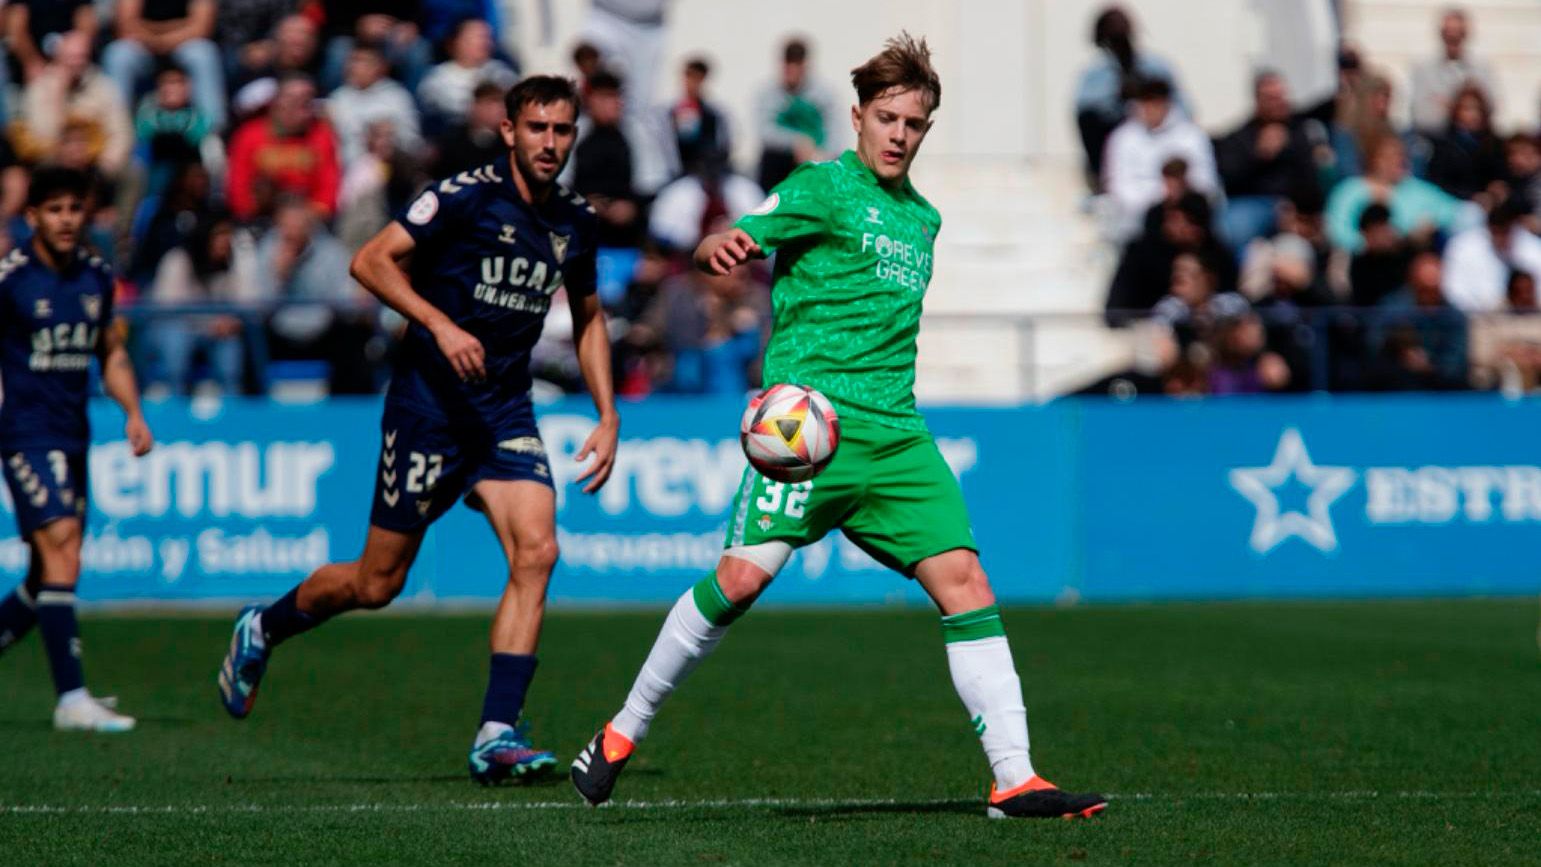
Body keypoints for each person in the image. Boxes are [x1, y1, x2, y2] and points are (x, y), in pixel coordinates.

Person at [570, 33, 1105, 821]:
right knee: (740, 581)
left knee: (966, 583)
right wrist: (727, 243)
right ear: (856, 116)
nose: (897, 134)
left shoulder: (923, 220)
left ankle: (1013, 778)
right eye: (885, 117)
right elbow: (740, 232)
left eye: (913, 123)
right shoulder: (820, 187)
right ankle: (619, 732)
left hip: (895, 434)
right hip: (806, 433)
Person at [216, 76, 619, 785]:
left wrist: (608, 413)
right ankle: (265, 625)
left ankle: (496, 732)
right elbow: (368, 260)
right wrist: (439, 322)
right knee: (376, 584)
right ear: (508, 132)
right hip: (428, 407)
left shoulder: (575, 221)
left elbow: (588, 316)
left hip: (502, 412)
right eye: (537, 129)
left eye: (562, 131)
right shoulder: (464, 196)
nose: (549, 143)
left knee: (538, 550)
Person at [0, 167, 154, 732]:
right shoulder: (11, 279)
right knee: (62, 546)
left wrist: (133, 412)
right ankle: (71, 699)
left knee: (50, 575)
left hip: (73, 433)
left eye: (75, 209)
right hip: (23, 432)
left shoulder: (95, 276)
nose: (67, 220)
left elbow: (109, 352)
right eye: (55, 209)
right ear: (33, 215)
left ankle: (72, 695)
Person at [1072, 5, 1187, 186]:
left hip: (1160, 144)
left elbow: (1185, 109)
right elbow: (1085, 114)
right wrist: (1116, 96)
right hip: (1116, 148)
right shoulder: (1096, 74)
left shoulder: (1156, 67)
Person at [1101, 76, 1219, 243]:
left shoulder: (1192, 136)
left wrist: (1178, 199)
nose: (1152, 108)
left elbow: (1206, 182)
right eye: (1146, 102)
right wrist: (1158, 198)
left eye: (1157, 102)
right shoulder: (1122, 138)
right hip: (1137, 220)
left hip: (1185, 218)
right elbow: (1119, 186)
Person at [1214, 71, 1320, 254]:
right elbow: (1230, 178)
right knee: (1232, 228)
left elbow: (1309, 180)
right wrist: (1260, 155)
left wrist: (1297, 211)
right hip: (1254, 203)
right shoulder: (1240, 137)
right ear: (1258, 101)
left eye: (1281, 96)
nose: (1278, 103)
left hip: (1293, 207)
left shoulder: (1300, 133)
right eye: (1271, 98)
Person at [226, 73, 341, 222]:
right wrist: (250, 211)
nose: (305, 111)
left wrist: (311, 215)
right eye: (295, 102)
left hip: (308, 221)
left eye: (307, 103)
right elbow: (237, 186)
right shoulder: (249, 135)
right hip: (258, 219)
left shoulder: (321, 135)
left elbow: (329, 187)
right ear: (277, 102)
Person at [100, 0, 226, 132]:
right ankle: (114, 132)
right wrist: (170, 30)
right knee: (118, 54)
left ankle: (213, 132)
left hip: (184, 44)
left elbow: (201, 27)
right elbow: (125, 25)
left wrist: (161, 36)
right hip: (144, 45)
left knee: (203, 54)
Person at [754, 37, 838, 192]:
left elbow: (836, 132)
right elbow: (765, 132)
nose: (792, 72)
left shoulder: (824, 94)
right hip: (780, 165)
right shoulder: (768, 93)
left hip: (819, 162)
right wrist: (796, 142)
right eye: (788, 65)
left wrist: (822, 154)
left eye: (797, 65)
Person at [326, 43, 422, 163]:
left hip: (392, 165)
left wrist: (388, 134)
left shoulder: (396, 96)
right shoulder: (338, 98)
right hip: (349, 168)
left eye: (362, 61)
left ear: (379, 67)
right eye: (352, 61)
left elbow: (412, 140)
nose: (353, 66)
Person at [1441, 198, 1541, 313]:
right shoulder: (1462, 247)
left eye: (1506, 231)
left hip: (1529, 320)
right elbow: (1454, 292)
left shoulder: (1534, 249)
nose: (1501, 237)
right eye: (1496, 232)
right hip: (1477, 320)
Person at [1408, 7, 1497, 134]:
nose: (1453, 37)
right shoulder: (1423, 68)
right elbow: (1420, 115)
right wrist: (1458, 109)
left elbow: (1490, 107)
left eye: (1458, 33)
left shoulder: (1482, 67)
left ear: (1465, 35)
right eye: (1448, 33)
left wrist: (1446, 105)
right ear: (1441, 34)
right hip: (1435, 141)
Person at [416, 18, 517, 128]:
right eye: (477, 37)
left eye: (487, 37)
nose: (484, 43)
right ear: (454, 42)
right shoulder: (437, 79)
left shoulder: (500, 71)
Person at [668, 56, 731, 172]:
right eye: (689, 77)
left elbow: (722, 142)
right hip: (676, 170)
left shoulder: (714, 113)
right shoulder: (669, 110)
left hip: (704, 170)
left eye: (697, 78)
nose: (692, 83)